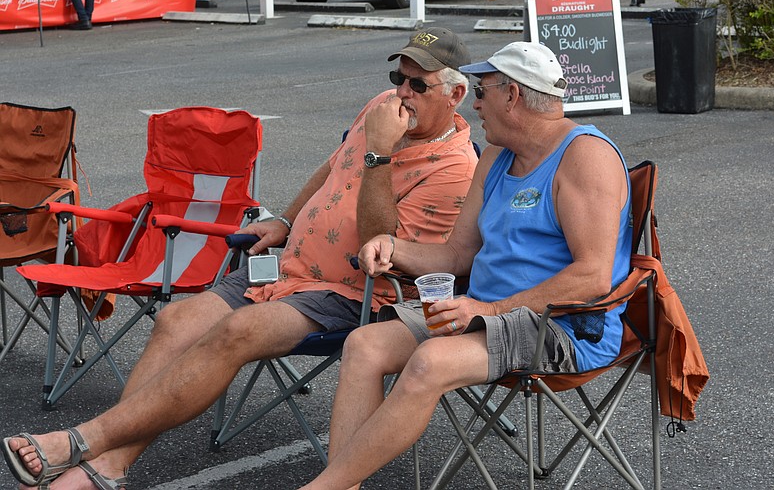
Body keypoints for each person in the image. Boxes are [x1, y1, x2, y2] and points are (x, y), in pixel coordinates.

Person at [1, 27, 478, 490]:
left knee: (237, 330)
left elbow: (382, 247)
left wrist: (380, 152)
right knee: (177, 321)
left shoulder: (456, 167)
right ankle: (109, 467)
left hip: (354, 291)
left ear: (455, 95)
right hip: (290, 263)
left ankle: (80, 442)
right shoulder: (380, 108)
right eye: (400, 79)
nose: (403, 93)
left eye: (419, 84)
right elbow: (333, 166)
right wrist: (287, 221)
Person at [301, 41, 633, 490]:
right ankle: (344, 485)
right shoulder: (498, 155)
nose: (474, 103)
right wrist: (391, 246)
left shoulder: (584, 156)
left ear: (512, 96)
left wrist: (488, 312)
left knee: (429, 362)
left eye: (482, 91)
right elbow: (458, 255)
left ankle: (325, 487)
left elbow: (592, 276)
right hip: (484, 310)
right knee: (364, 346)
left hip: (563, 325)